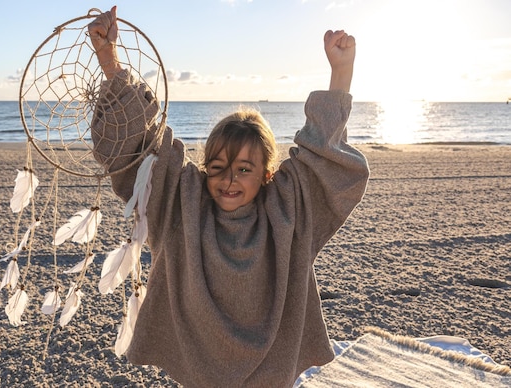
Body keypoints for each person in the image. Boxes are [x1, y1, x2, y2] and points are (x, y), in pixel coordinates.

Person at [88, 6, 369, 388]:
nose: (229, 179)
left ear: (268, 174)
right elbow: (143, 145)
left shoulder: (287, 211)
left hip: (272, 371)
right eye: (217, 167)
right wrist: (110, 59)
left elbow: (322, 160)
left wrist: (341, 72)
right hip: (199, 368)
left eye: (244, 169)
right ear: (203, 169)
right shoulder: (183, 201)